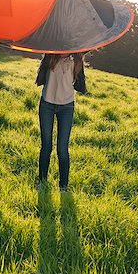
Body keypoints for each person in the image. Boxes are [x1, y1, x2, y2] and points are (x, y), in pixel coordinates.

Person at [35, 52, 87, 192]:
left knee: (62, 149)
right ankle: (42, 181)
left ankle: (63, 187)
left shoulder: (76, 59)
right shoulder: (50, 55)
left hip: (67, 107)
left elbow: (89, 43)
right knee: (46, 146)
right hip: (47, 104)